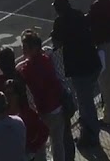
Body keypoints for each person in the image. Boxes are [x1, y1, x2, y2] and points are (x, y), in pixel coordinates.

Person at [50, 0, 103, 148]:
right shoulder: (79, 14)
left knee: (85, 103)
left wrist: (55, 35)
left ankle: (92, 136)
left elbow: (57, 43)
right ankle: (87, 132)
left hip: (80, 67)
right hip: (92, 62)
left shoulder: (60, 22)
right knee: (86, 101)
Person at [16, 30, 70, 161]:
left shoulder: (30, 67)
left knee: (40, 146)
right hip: (57, 106)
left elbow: (19, 75)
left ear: (33, 48)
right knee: (58, 143)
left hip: (45, 110)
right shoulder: (46, 59)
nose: (23, 50)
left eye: (25, 47)